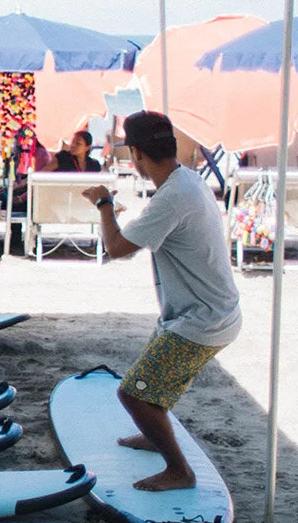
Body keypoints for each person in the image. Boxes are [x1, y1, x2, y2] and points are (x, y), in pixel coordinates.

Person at [82, 111, 242, 492]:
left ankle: (179, 471)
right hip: (205, 312)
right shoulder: (187, 181)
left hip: (203, 320)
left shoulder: (172, 197)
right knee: (151, 386)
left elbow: (118, 248)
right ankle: (155, 438)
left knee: (134, 394)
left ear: (135, 153)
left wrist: (104, 204)